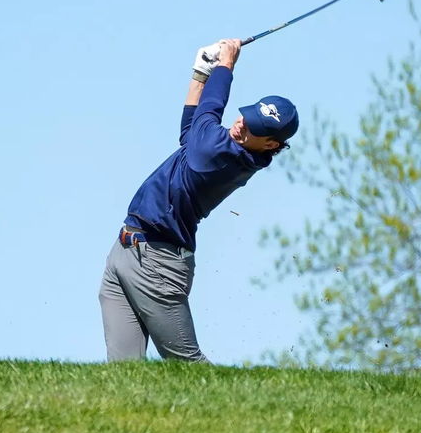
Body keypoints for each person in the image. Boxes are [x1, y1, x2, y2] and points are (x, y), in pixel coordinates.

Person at [98, 38, 299, 363]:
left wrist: (225, 65)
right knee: (123, 374)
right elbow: (189, 130)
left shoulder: (225, 156)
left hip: (157, 263)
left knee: (189, 367)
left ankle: (251, 413)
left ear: (270, 145)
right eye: (247, 116)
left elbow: (208, 111)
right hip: (124, 250)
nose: (242, 124)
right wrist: (200, 73)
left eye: (254, 129)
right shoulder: (215, 143)